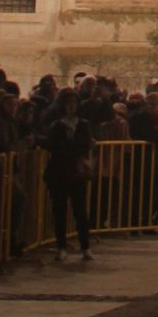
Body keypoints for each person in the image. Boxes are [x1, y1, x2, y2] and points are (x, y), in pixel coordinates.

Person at [40, 88, 94, 262]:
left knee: (80, 211)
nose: (71, 106)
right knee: (60, 211)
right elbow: (55, 145)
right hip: (60, 171)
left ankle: (85, 246)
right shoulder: (57, 125)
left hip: (77, 173)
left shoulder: (83, 124)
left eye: (74, 103)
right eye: (68, 103)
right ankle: (61, 246)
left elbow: (84, 144)